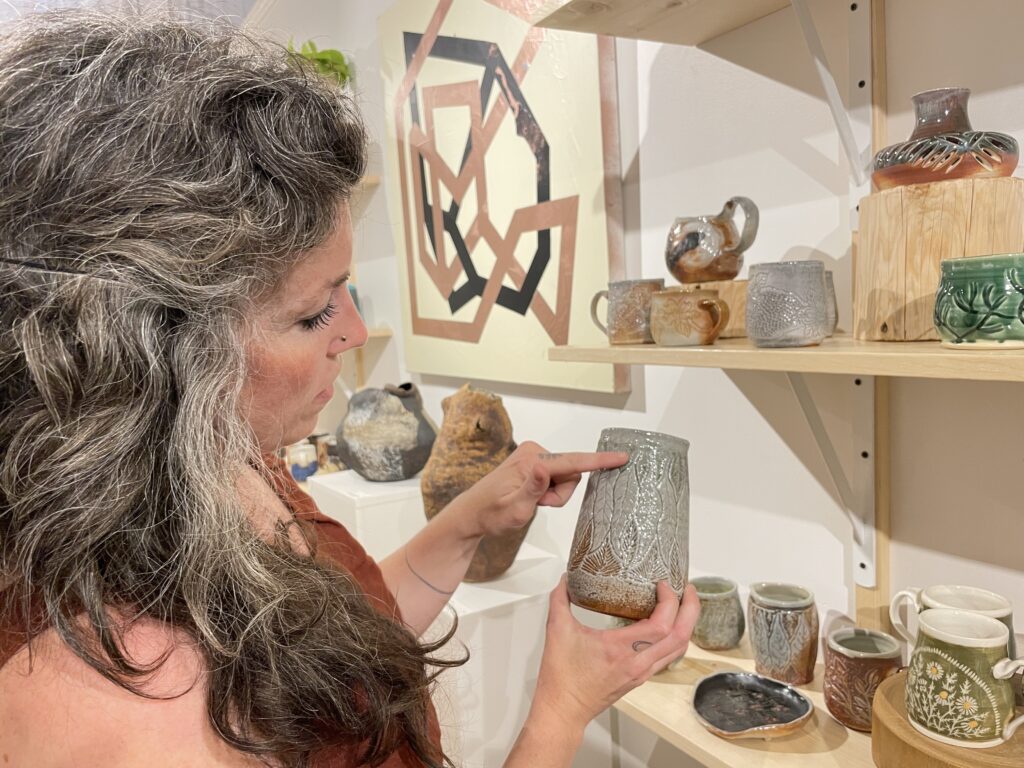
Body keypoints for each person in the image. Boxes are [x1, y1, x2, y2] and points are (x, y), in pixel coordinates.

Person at [0, 9, 700, 767]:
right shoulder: (147, 706)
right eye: (312, 314)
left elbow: (338, 639)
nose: (357, 333)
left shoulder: (229, 464)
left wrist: (465, 522)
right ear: (156, 362)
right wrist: (564, 708)